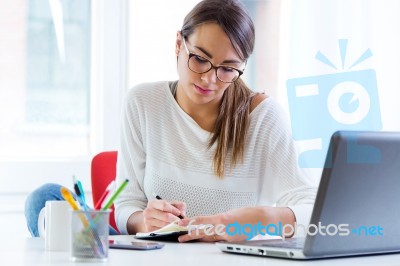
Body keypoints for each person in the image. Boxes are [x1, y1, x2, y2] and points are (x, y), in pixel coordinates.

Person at [25, 0, 316, 241]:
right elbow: (128, 204)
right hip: (155, 251)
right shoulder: (142, 102)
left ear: (241, 68)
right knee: (46, 198)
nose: (209, 78)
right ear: (179, 44)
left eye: (227, 69)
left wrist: (259, 219)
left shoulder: (263, 116)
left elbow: (314, 210)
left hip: (226, 258)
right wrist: (144, 221)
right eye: (200, 59)